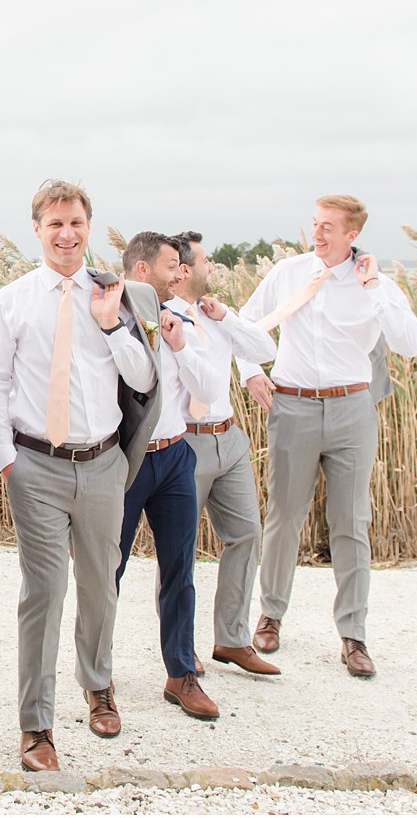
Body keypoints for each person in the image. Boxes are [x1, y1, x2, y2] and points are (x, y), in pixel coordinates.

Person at [0, 180, 161, 772]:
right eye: (55, 224)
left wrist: (111, 326)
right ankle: (36, 725)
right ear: (37, 229)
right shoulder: (12, 301)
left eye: (76, 223)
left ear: (88, 227)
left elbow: (141, 379)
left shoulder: (115, 294)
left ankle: (98, 682)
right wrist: (6, 458)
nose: (66, 234)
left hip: (104, 464)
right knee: (43, 593)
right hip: (34, 465)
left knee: (99, 584)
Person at [236, 195, 417, 677]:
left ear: (352, 235)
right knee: (284, 516)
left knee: (351, 521)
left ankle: (353, 635)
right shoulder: (288, 272)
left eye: (328, 228)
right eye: (315, 225)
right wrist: (249, 372)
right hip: (293, 405)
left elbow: (411, 344)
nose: (317, 235)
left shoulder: (376, 285)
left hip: (351, 408)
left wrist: (375, 288)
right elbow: (240, 324)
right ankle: (270, 616)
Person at [118, 232, 227, 720]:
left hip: (177, 455)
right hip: (125, 460)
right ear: (142, 270)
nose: (180, 273)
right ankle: (97, 675)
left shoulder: (180, 317)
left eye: (183, 266)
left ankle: (180, 673)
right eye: (171, 266)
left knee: (180, 570)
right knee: (107, 570)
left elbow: (208, 387)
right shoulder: (108, 314)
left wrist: (180, 344)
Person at [162, 231, 281, 678]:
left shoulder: (216, 316)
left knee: (247, 534)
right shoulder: (164, 317)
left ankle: (232, 639)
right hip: (185, 441)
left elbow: (265, 351)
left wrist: (226, 316)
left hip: (228, 439)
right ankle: (181, 648)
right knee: (181, 551)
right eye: (207, 261)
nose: (214, 268)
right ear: (185, 270)